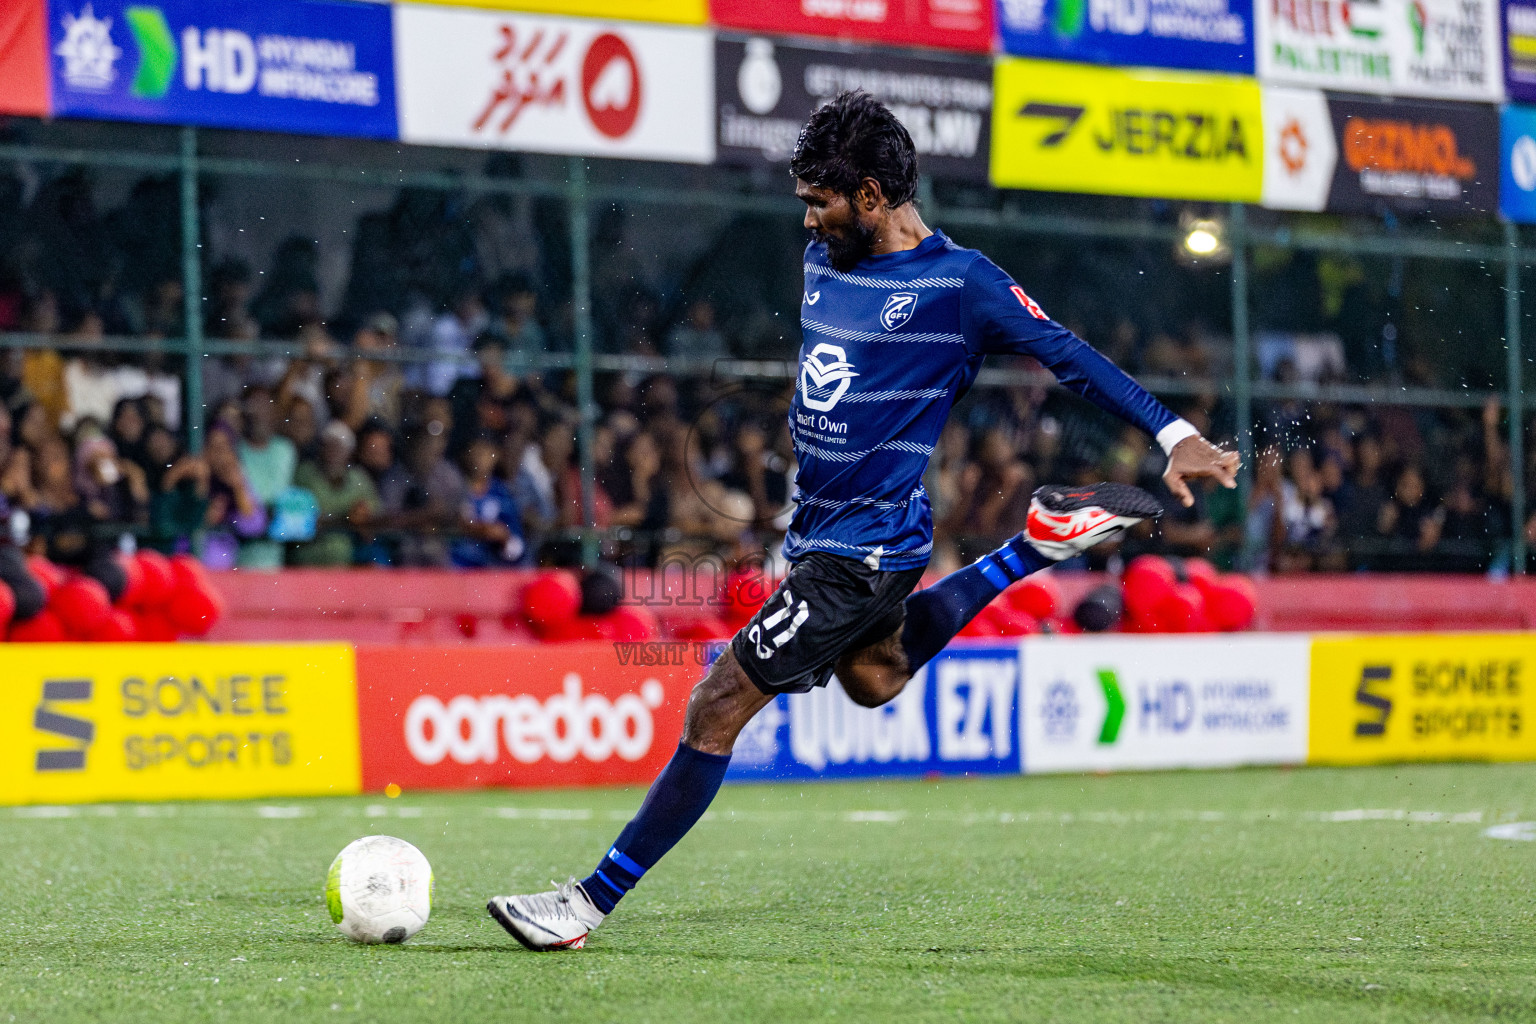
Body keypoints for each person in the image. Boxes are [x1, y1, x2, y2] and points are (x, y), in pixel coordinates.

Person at [487, 91, 1239, 950]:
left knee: (718, 700)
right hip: (827, 532)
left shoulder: (961, 284)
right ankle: (1031, 547)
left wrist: (1173, 434)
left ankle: (585, 904)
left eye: (822, 201)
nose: (807, 219)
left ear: (874, 196)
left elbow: (1068, 356)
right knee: (874, 678)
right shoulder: (825, 257)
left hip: (862, 549)